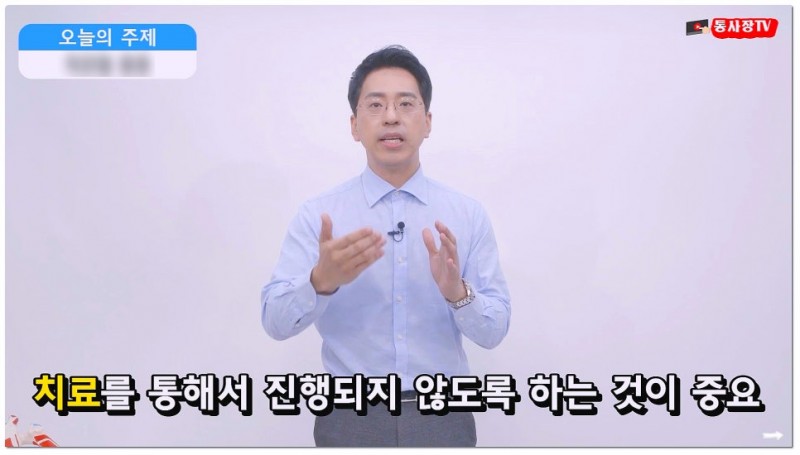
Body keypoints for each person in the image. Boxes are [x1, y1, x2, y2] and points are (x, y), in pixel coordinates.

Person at [261, 45, 511, 447]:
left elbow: (494, 330)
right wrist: (320, 281)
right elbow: (274, 321)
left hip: (443, 413)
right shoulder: (319, 216)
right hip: (349, 416)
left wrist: (457, 293)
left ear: (427, 122)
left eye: (406, 104)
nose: (391, 116)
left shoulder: (466, 214)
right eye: (375, 105)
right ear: (355, 125)